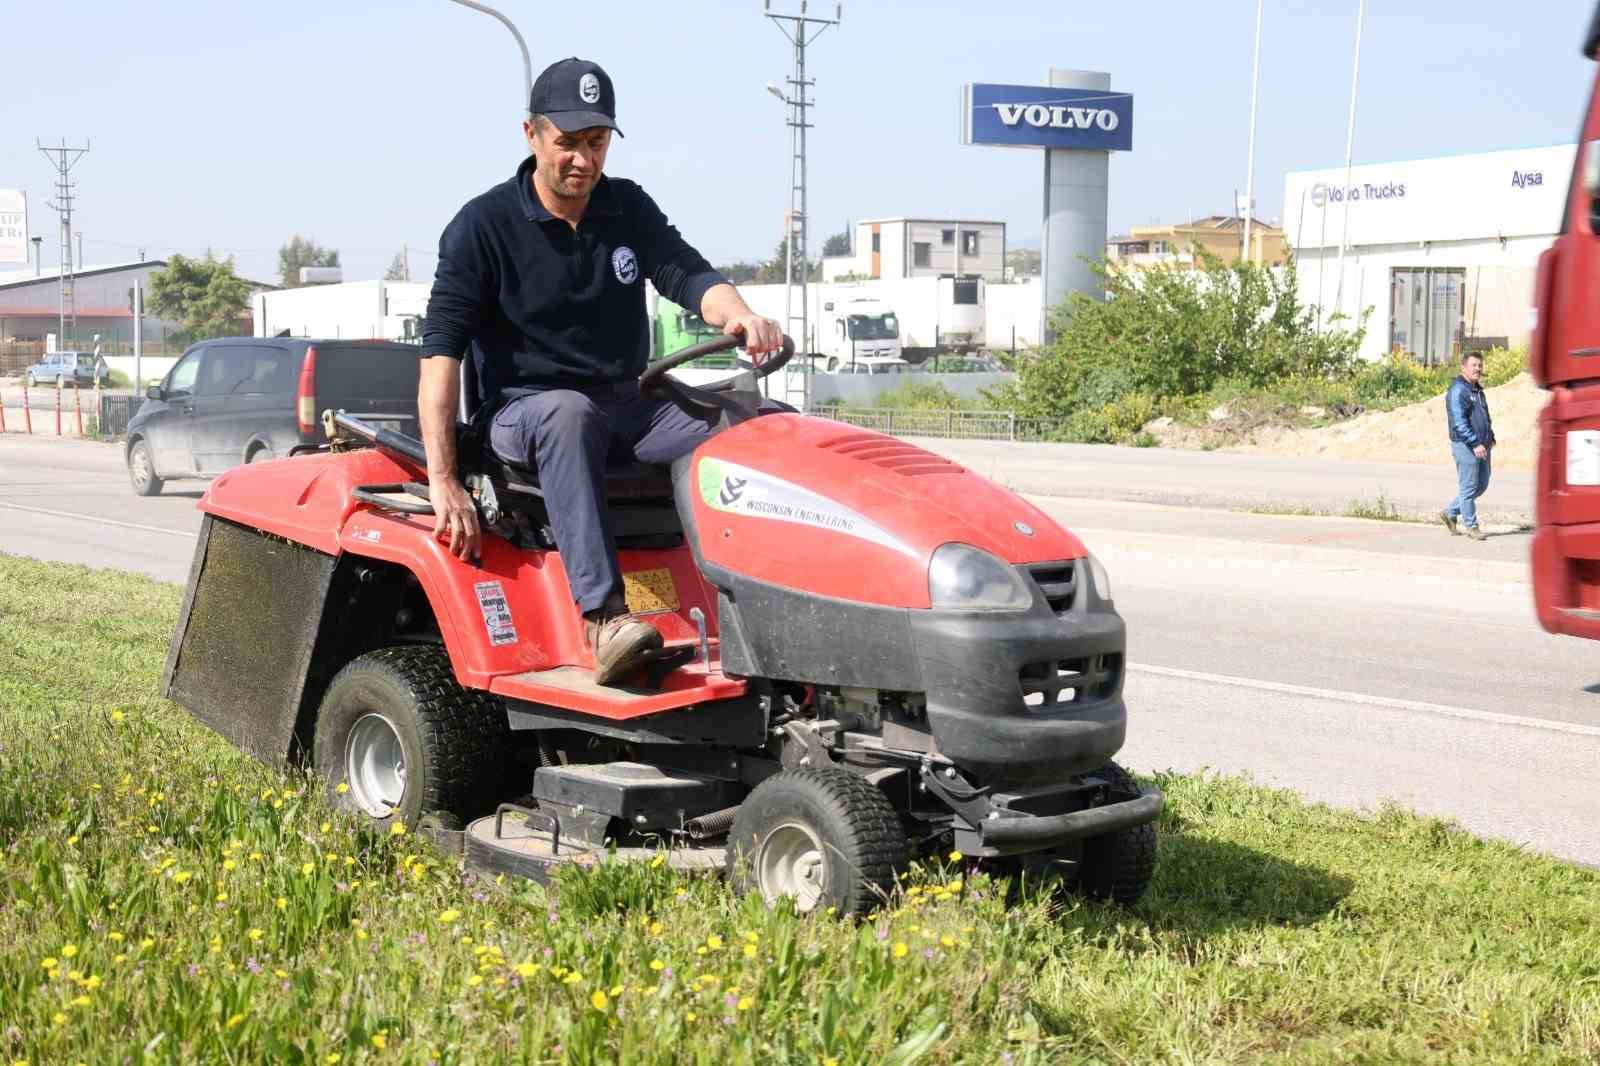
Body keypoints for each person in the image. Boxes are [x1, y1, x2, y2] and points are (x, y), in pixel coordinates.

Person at [419, 57, 784, 684]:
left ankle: (774, 596)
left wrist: (741, 315)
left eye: (596, 143)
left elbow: (689, 274)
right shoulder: (481, 227)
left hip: (627, 405)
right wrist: (443, 478)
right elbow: (439, 357)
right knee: (570, 412)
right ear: (531, 134)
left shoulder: (625, 207)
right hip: (525, 412)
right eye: (568, 142)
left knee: (759, 422)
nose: (583, 160)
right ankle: (605, 620)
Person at [1440, 351, 1495, 542]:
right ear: (1463, 367)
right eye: (1474, 365)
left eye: (1480, 365)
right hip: (1466, 445)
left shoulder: (1477, 390)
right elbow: (1459, 422)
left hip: (1483, 445)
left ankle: (1450, 512)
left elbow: (1485, 417)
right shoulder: (1458, 390)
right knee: (1469, 487)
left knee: (1482, 484)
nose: (1478, 369)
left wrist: (1490, 437)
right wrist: (1474, 442)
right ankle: (1472, 526)